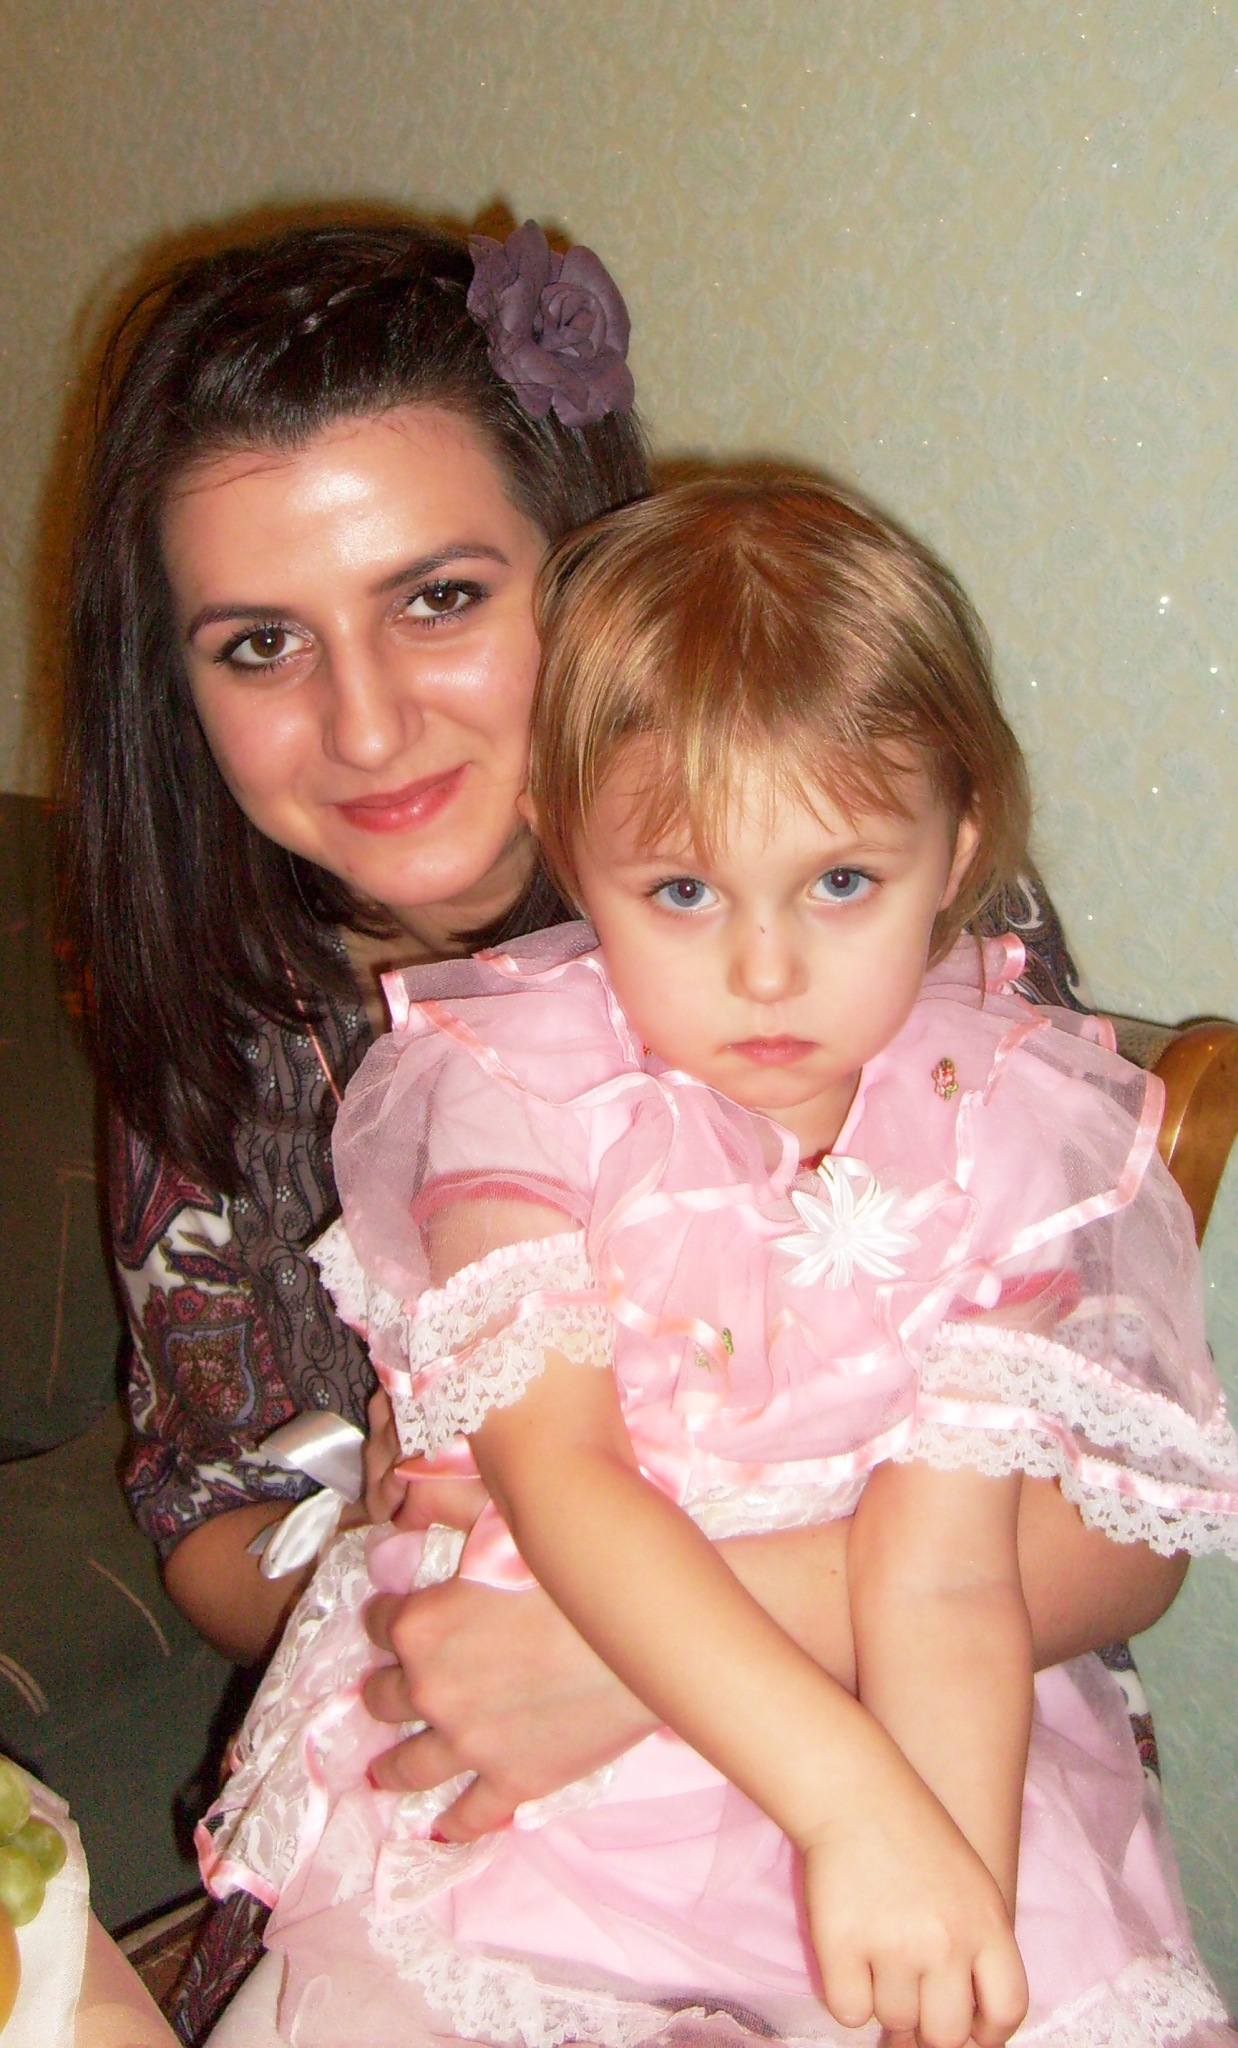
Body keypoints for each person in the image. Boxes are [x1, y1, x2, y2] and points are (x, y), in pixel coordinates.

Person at [57, 216, 1187, 2026]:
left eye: (440, 598)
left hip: (933, 1762)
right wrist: (423, 1592)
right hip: (470, 1796)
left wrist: (626, 1653)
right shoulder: (220, 986)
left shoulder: (854, 901)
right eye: (260, 644)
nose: (367, 724)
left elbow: (1118, 1532)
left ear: (585, 566)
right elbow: (209, 1496)